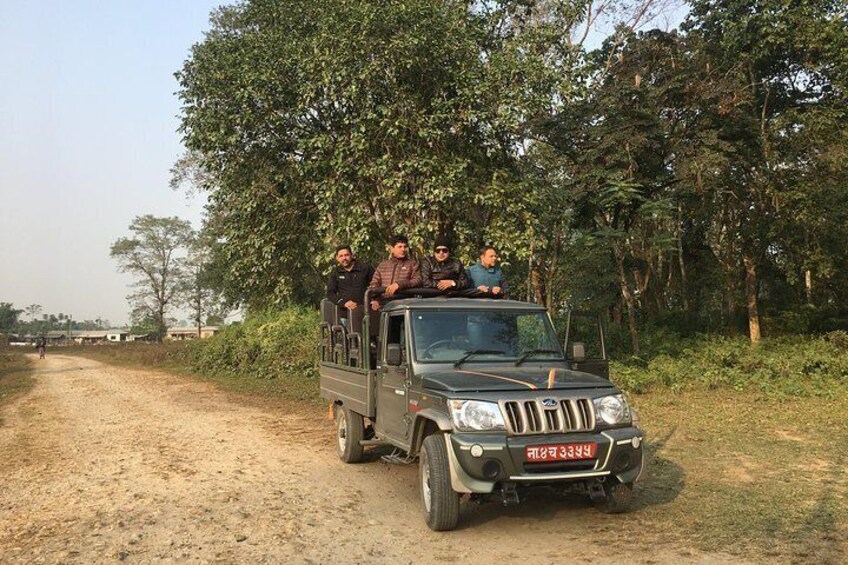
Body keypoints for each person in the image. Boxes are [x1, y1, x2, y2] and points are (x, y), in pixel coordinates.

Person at [369, 234, 422, 310]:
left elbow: (418, 280)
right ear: (392, 249)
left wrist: (399, 284)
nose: (403, 249)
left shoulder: (412, 264)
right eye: (400, 247)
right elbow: (374, 284)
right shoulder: (383, 265)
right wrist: (375, 300)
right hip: (383, 305)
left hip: (404, 305)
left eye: (405, 247)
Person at [327, 245, 374, 313]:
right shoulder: (335, 272)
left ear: (351, 255)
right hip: (345, 314)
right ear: (337, 258)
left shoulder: (365, 268)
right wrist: (343, 303)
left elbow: (376, 285)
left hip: (366, 312)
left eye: (346, 255)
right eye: (341, 256)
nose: (344, 258)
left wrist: (375, 300)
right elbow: (330, 293)